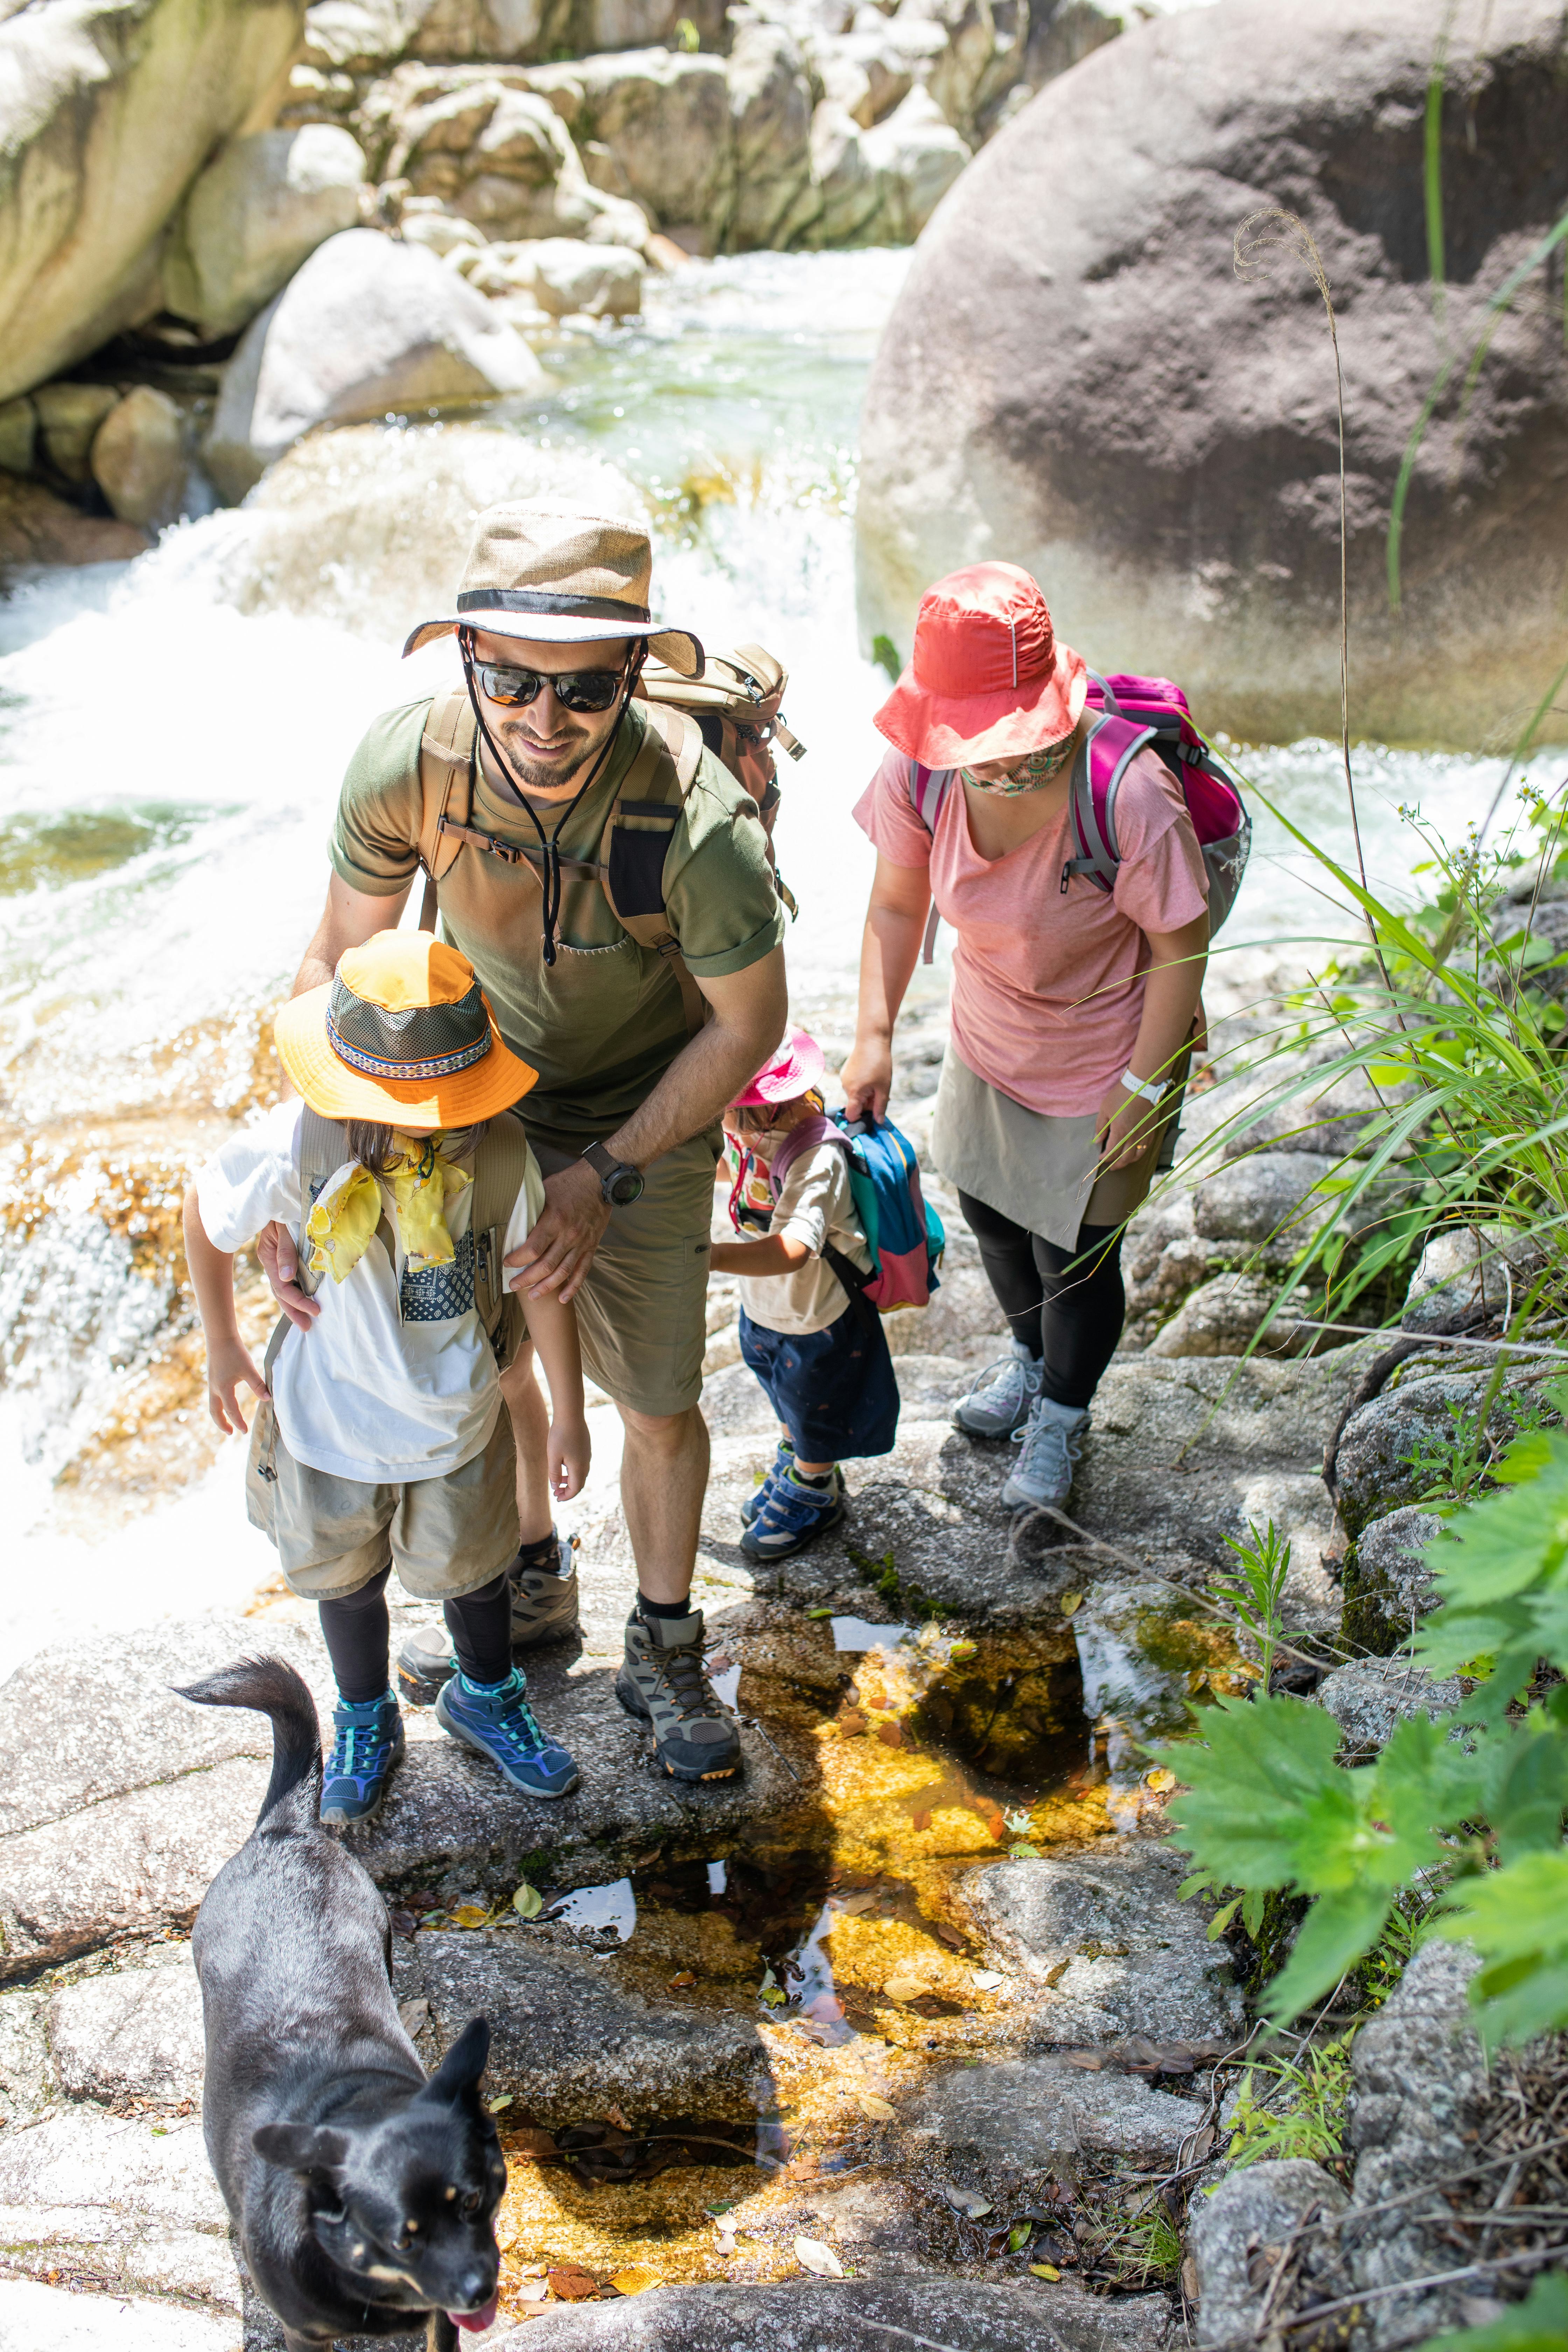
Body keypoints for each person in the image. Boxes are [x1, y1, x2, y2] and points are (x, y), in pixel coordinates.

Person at [258, 505, 787, 1784]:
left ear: (633, 679)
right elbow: (338, 963)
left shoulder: (697, 827)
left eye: (587, 689)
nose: (545, 721)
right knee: (483, 1361)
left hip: (645, 1113)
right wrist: (303, 1176)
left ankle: (663, 1648)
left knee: (655, 1398)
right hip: (453, 1095)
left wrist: (605, 1173)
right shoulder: (409, 768)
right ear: (468, 661)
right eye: (511, 682)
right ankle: (531, 1578)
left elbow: (750, 1024)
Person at [184, 931, 586, 1825]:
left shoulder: (496, 1154)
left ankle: (486, 1691)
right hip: (329, 1421)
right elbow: (205, 1210)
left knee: (476, 1568)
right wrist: (223, 1341)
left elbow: (539, 1280)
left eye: (447, 1099)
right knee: (344, 1575)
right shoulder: (296, 1144)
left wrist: (567, 1410)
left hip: (454, 1419)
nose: (432, 1120)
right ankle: (364, 1713)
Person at [841, 562, 1209, 1512]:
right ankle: (1029, 1358)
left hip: (1107, 1058)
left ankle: (1065, 1412)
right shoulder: (922, 772)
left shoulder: (1125, 793)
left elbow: (1179, 944)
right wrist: (873, 1035)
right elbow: (893, 903)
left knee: (1074, 1259)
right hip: (988, 1034)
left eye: (1018, 742)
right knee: (993, 1217)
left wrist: (1149, 1082)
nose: (998, 764)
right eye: (977, 743)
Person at [710, 1028, 899, 1559]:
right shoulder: (749, 1137)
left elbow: (795, 1247)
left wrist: (715, 1257)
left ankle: (815, 1489)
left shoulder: (818, 1159)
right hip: (768, 1308)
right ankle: (799, 1459)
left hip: (817, 1318)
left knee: (816, 1404)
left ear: (760, 1112)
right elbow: (735, 1170)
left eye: (720, 1109)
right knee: (782, 1393)